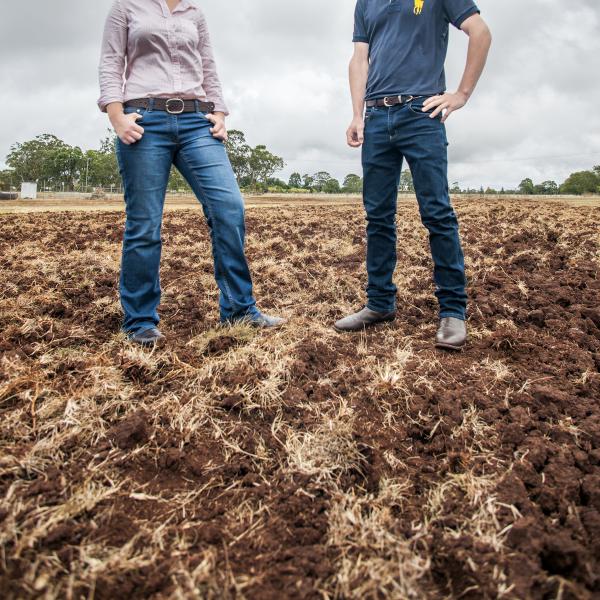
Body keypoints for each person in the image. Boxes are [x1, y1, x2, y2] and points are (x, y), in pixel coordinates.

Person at [98, 0, 284, 346]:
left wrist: (220, 112)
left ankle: (239, 309)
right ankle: (139, 321)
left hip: (197, 121)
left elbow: (208, 67)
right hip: (144, 119)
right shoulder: (127, 7)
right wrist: (116, 116)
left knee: (229, 208)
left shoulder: (194, 12)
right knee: (144, 223)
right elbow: (111, 62)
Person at [335, 0, 492, 351]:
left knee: (437, 213)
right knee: (377, 217)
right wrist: (356, 114)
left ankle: (452, 310)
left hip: (421, 113)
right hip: (375, 118)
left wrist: (462, 94)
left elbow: (480, 32)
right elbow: (360, 59)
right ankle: (379, 303)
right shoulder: (366, 3)